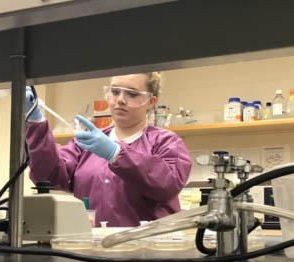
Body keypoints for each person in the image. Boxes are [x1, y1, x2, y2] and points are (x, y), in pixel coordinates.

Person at [25, 72, 192, 227]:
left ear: (150, 102)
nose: (120, 100)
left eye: (131, 94)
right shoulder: (86, 144)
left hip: (146, 252)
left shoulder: (167, 142)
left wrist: (116, 154)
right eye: (115, 91)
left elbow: (167, 185)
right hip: (90, 249)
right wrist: (36, 123)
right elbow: (47, 177)